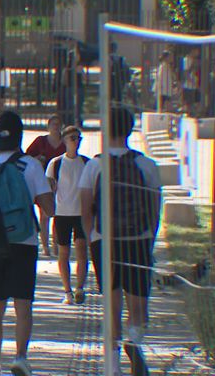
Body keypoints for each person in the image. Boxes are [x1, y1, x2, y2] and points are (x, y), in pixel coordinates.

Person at [79, 107, 161, 376]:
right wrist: (149, 238)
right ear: (130, 129)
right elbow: (154, 207)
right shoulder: (146, 165)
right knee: (139, 306)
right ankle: (134, 340)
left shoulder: (94, 165)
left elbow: (86, 209)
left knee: (112, 304)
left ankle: (112, 364)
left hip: (105, 241)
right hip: (138, 240)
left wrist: (93, 240)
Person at [0, 111, 55, 376]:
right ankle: (21, 357)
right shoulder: (30, 165)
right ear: (19, 135)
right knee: (23, 304)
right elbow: (50, 208)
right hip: (24, 241)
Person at [45, 126, 89, 305]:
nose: (76, 141)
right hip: (62, 213)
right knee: (63, 252)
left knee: (82, 251)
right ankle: (67, 291)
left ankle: (80, 288)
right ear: (64, 140)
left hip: (81, 214)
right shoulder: (55, 164)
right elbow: (48, 187)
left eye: (79, 138)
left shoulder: (86, 163)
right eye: (72, 138)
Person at [25, 114, 65, 256]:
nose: (55, 127)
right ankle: (45, 246)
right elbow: (27, 157)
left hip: (61, 183)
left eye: (58, 124)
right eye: (53, 124)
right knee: (44, 215)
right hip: (43, 181)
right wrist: (38, 159)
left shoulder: (65, 143)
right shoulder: (40, 142)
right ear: (48, 127)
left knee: (58, 214)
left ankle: (56, 244)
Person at [182, 47, 201, 115]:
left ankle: (194, 113)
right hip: (189, 84)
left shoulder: (195, 60)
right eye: (197, 51)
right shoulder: (186, 60)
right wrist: (190, 81)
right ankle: (190, 113)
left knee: (196, 100)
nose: (198, 53)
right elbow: (186, 72)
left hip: (194, 84)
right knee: (189, 101)